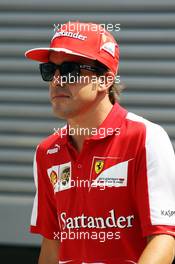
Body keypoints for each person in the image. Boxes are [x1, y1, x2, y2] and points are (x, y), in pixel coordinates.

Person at [25, 21, 175, 264]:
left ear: (105, 80)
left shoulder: (146, 138)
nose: (56, 81)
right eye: (49, 70)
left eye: (70, 70)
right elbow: (52, 243)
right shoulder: (46, 151)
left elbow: (164, 238)